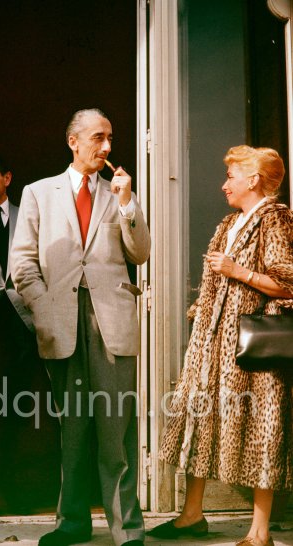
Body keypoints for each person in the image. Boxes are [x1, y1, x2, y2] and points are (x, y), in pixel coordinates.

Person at [11, 108, 151, 546]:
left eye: (109, 138)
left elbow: (140, 252)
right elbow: (22, 264)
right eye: (97, 137)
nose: (107, 147)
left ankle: (127, 531)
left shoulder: (119, 193)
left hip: (112, 323)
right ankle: (72, 523)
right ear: (73, 141)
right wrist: (45, 309)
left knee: (117, 430)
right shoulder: (38, 193)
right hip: (63, 323)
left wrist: (129, 204)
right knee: (72, 430)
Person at [149, 145, 293, 546]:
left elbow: (288, 281)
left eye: (232, 176)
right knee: (202, 419)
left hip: (252, 348)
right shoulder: (231, 222)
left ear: (254, 180)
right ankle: (191, 514)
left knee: (262, 429)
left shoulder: (276, 219)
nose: (224, 184)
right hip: (213, 345)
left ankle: (259, 530)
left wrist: (238, 271)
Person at [0, 153, 59, 514]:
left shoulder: (30, 215)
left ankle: (31, 491)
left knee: (30, 409)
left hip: (27, 322)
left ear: (7, 177)